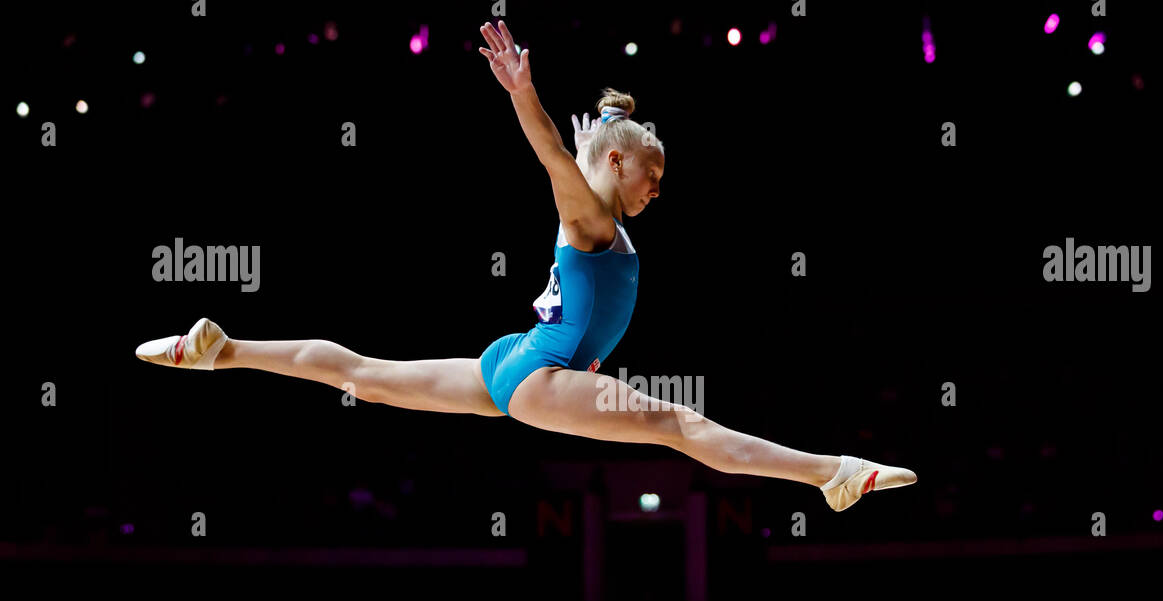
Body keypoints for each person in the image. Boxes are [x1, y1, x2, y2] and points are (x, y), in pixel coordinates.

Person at [134, 19, 916, 512]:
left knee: (362, 374)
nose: (658, 189)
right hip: (536, 375)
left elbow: (570, 156)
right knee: (679, 423)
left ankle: (223, 352)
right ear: (618, 160)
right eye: (655, 175)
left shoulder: (592, 207)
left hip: (512, 361)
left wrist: (578, 133)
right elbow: (551, 153)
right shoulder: (591, 217)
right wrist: (523, 92)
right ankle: (829, 473)